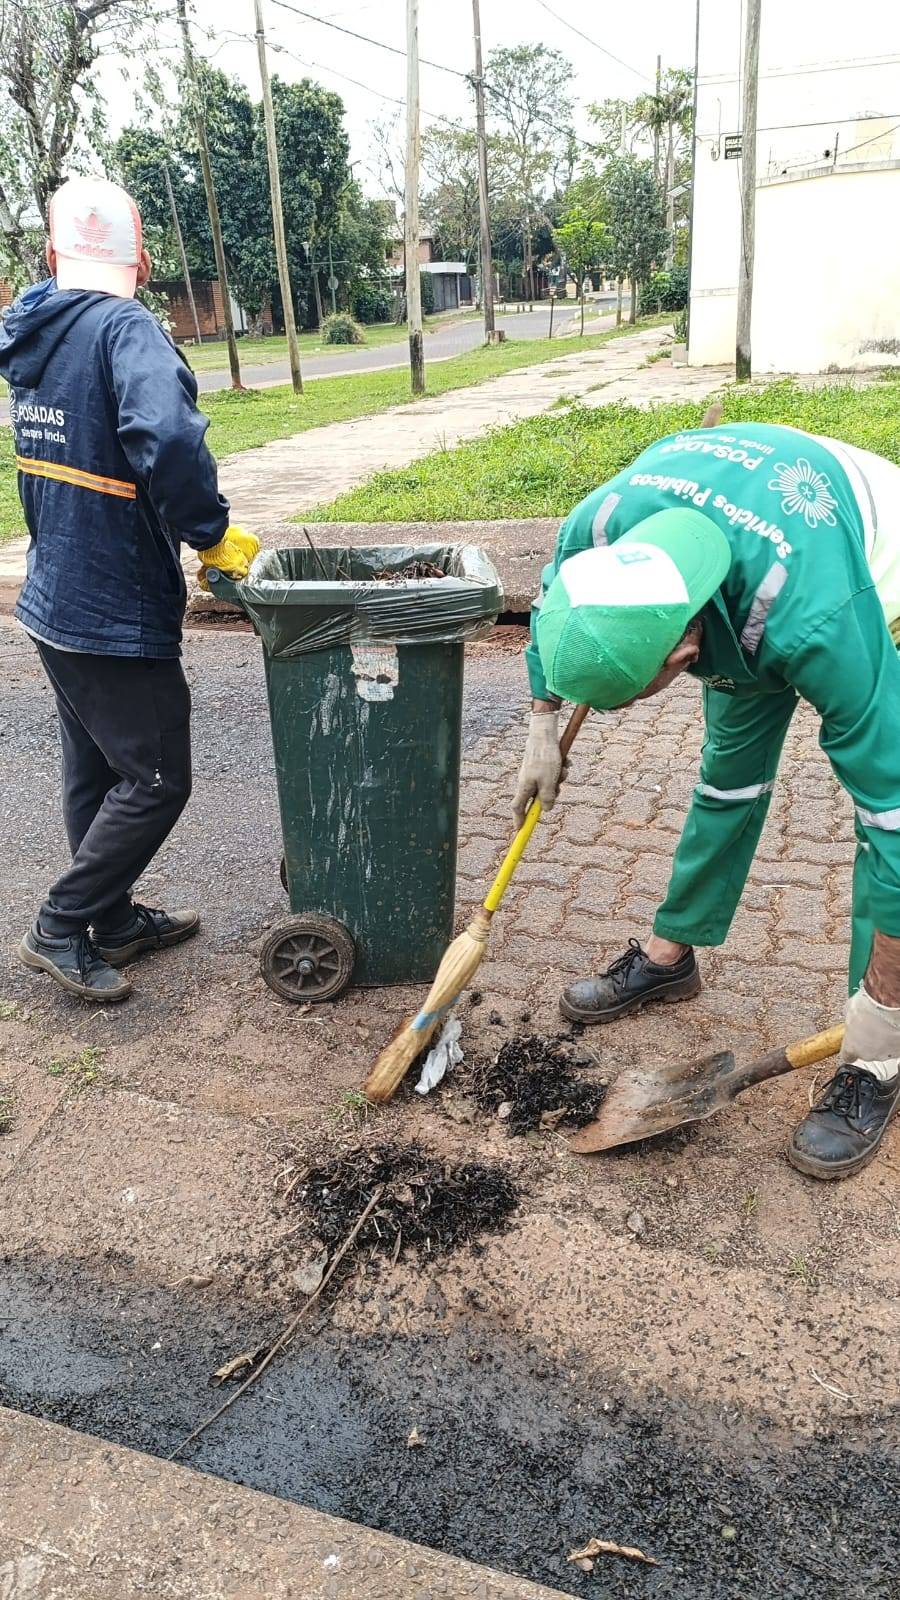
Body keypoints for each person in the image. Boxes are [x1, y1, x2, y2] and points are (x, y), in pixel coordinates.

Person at [513, 417, 900, 1179]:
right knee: (729, 780)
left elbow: (894, 814)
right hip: (739, 563)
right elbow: (556, 604)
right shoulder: (596, 529)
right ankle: (670, 956)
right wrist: (541, 718)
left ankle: (877, 1057)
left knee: (880, 821)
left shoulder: (816, 621)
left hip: (871, 580)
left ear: (686, 653)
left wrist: (885, 1014)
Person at [0, 176, 259, 1004]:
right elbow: (171, 439)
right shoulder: (124, 328)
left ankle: (110, 922)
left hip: (55, 595)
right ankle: (59, 924)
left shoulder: (36, 333)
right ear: (141, 262)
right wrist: (210, 532)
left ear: (52, 256)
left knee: (97, 772)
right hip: (112, 603)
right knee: (153, 781)